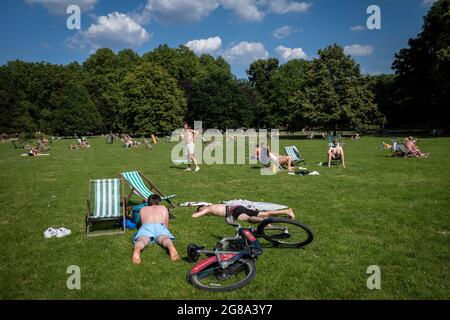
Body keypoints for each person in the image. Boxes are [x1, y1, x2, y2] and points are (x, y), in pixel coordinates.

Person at [132, 195, 179, 264]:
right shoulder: (163, 208)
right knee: (164, 238)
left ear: (148, 202)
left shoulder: (143, 209)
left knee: (143, 239)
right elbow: (166, 224)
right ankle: (170, 246)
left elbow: (141, 223)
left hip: (147, 226)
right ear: (159, 202)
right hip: (160, 226)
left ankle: (137, 249)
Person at [192, 204, 295, 223]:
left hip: (233, 211)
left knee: (247, 219)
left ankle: (264, 222)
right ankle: (286, 211)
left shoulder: (208, 208)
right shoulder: (212, 206)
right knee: (264, 213)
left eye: (201, 210)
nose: (202, 212)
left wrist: (195, 213)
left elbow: (195, 216)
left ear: (203, 208)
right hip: (237, 207)